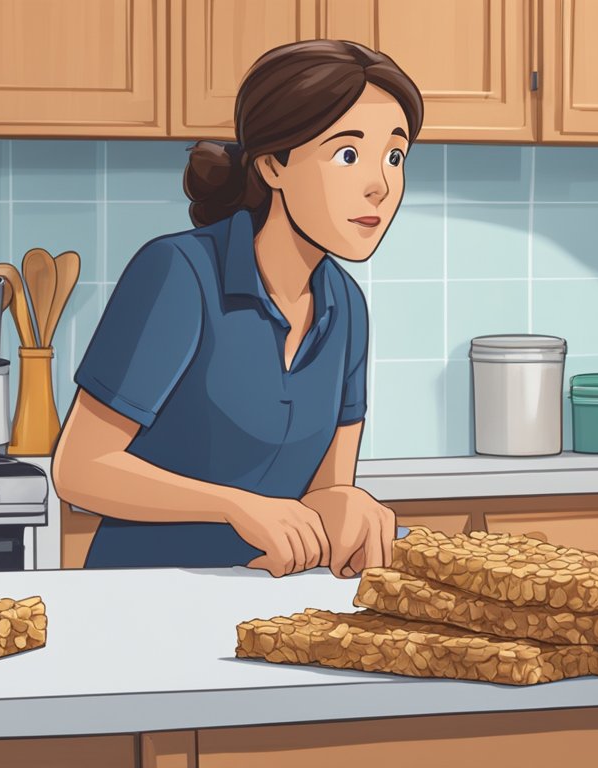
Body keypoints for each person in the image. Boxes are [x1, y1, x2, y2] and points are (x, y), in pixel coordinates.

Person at [52, 40, 423, 578]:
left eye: (395, 156)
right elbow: (80, 470)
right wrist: (234, 504)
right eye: (348, 154)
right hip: (144, 600)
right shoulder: (179, 273)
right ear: (274, 165)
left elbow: (325, 488)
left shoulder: (346, 308)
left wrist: (344, 502)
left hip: (274, 605)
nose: (381, 185)